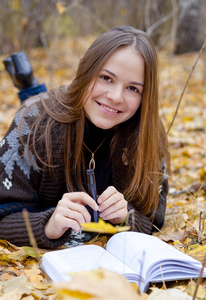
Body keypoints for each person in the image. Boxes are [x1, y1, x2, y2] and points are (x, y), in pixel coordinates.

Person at [0, 25, 170, 249]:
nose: (116, 96)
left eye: (132, 88)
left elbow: (154, 217)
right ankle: (29, 86)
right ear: (86, 70)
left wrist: (127, 217)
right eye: (106, 78)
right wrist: (47, 225)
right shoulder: (33, 123)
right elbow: (4, 214)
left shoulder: (147, 132)